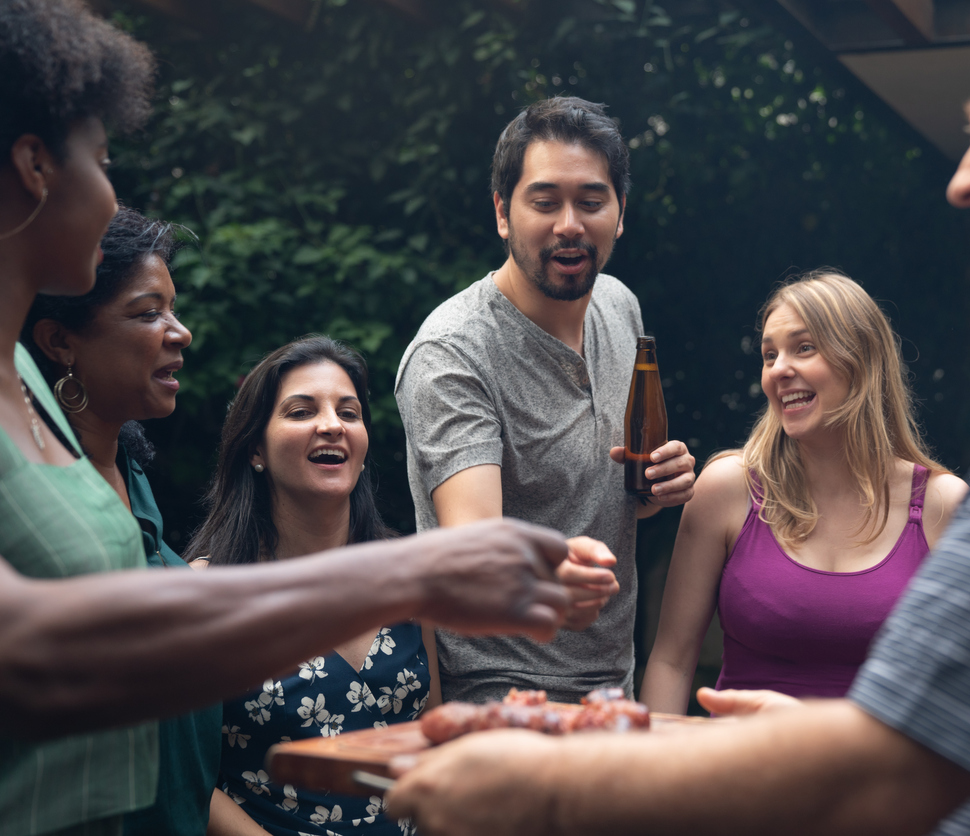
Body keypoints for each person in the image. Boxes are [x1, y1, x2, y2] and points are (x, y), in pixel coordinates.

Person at [384, 0, 970, 833]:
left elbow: (907, 764)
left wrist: (565, 794)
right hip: (507, 690)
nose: (962, 178)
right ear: (502, 211)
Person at [0, 3, 595, 821]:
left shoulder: (46, 408)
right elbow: (27, 647)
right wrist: (417, 571)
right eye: (101, 159)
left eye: (347, 411)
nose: (112, 197)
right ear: (33, 166)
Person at [395, 96, 696, 704]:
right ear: (504, 213)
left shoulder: (619, 305)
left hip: (614, 684)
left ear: (619, 213)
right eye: (545, 201)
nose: (569, 224)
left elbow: (603, 497)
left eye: (591, 202)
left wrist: (656, 487)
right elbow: (478, 548)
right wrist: (557, 566)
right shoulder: (452, 353)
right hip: (497, 694)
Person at [639, 272, 966, 714]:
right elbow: (671, 662)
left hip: (876, 780)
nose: (779, 369)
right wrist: (659, 777)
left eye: (804, 347)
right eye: (769, 355)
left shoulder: (942, 505)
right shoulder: (728, 488)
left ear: (862, 360)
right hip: (739, 775)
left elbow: (967, 686)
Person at [21, 207, 218, 836]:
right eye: (147, 312)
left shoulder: (132, 471)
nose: (179, 332)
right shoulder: (41, 488)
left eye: (173, 308)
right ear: (59, 342)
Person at [188, 337, 433, 836]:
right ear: (255, 448)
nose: (331, 425)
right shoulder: (206, 593)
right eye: (301, 412)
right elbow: (185, 773)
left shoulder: (410, 579)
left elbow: (436, 736)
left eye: (349, 412)